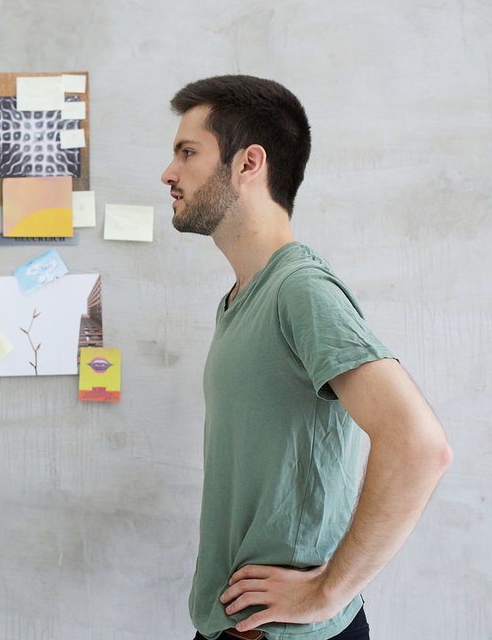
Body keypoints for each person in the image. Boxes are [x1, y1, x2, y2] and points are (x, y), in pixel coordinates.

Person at [160, 75, 452, 640]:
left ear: (249, 164)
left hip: (283, 633)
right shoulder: (243, 297)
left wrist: (328, 591)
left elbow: (420, 446)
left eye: (187, 152)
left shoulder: (300, 289)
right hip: (236, 623)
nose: (169, 173)